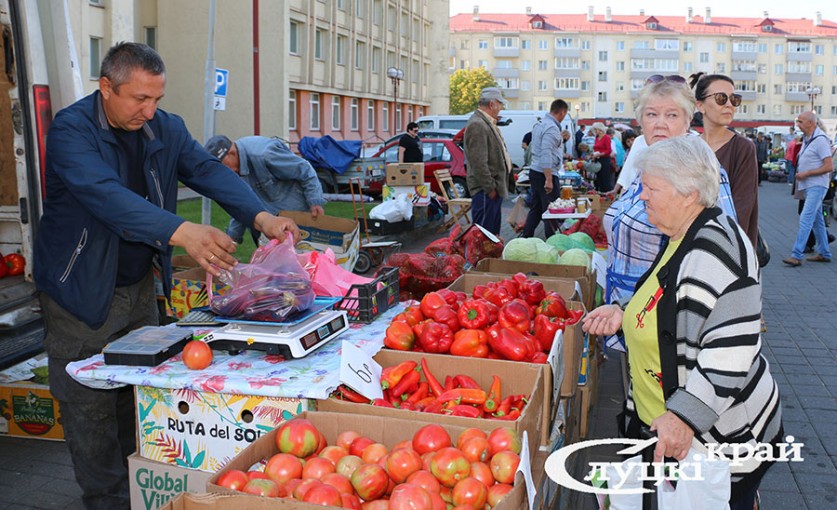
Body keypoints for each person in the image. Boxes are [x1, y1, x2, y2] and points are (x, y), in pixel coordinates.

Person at [32, 42, 298, 510]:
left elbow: (210, 172)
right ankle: (105, 500)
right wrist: (182, 231)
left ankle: (137, 490)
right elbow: (106, 196)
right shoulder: (72, 130)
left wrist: (262, 218)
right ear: (106, 88)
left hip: (137, 288)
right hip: (79, 289)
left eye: (157, 98)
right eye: (139, 99)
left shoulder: (165, 127)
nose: (150, 111)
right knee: (89, 408)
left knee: (136, 396)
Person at [583, 136, 783, 510]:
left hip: (717, 437)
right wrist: (625, 313)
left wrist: (684, 419)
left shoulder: (715, 250)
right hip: (670, 425)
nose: (642, 197)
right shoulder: (682, 234)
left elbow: (731, 354)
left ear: (689, 193)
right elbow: (669, 300)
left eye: (651, 188)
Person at [603, 75, 737, 318]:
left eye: (672, 115)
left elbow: (722, 247)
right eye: (651, 114)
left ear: (688, 121)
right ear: (641, 122)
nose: (660, 124)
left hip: (664, 316)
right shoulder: (650, 164)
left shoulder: (702, 172)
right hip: (626, 308)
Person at [205, 135, 326, 245]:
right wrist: (233, 237)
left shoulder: (265, 154)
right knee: (269, 266)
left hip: (296, 220)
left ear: (232, 153)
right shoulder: (232, 171)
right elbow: (242, 203)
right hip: (265, 226)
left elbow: (304, 170)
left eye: (222, 165)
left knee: (302, 265)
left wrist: (315, 200)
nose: (222, 171)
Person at [691, 73, 759, 247]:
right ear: (700, 105)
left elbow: (743, 207)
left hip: (724, 246)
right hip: (686, 242)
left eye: (734, 99)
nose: (729, 104)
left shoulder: (743, 147)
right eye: (721, 98)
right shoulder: (689, 146)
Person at [783, 111, 834, 266]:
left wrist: (807, 173)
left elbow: (828, 166)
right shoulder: (808, 139)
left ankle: (796, 254)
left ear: (811, 123)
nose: (797, 124)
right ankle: (824, 252)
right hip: (810, 185)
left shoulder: (820, 140)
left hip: (817, 185)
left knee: (806, 218)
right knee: (817, 221)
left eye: (800, 121)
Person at [463, 87, 511, 235]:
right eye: (500, 104)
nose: (501, 108)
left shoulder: (486, 122)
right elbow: (478, 162)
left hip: (491, 189)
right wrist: (490, 188)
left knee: (491, 237)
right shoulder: (478, 124)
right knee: (483, 236)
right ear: (492, 104)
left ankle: (489, 258)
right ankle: (480, 260)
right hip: (486, 191)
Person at [521, 99, 568, 239]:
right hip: (545, 172)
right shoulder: (551, 127)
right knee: (551, 210)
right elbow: (546, 153)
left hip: (536, 171)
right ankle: (552, 241)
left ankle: (526, 238)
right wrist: (548, 179)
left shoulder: (540, 124)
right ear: (562, 112)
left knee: (536, 208)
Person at [591, 122, 614, 192]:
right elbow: (595, 147)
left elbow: (609, 150)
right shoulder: (597, 138)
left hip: (605, 160)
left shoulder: (606, 137)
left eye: (596, 130)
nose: (595, 131)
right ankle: (598, 190)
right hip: (597, 159)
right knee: (598, 177)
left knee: (605, 177)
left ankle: (606, 192)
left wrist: (600, 154)